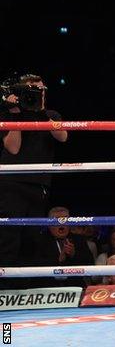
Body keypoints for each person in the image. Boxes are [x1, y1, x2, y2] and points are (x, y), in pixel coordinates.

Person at [0, 73, 68, 289]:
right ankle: (4, 290)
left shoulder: (51, 115)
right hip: (11, 184)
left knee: (33, 237)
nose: (36, 93)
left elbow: (63, 136)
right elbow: (13, 148)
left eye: (39, 89)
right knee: (8, 237)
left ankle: (26, 289)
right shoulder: (9, 114)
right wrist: (15, 113)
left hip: (39, 185)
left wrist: (39, 111)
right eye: (31, 89)